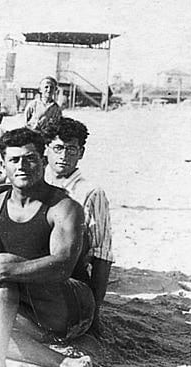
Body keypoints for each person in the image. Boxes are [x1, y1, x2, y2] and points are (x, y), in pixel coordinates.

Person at [0, 128, 97, 367]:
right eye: (14, 160)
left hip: (71, 306)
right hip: (31, 310)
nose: (22, 166)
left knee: (3, 263)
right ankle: (66, 362)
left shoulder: (64, 207)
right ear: (3, 164)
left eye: (30, 158)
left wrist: (2, 268)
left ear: (43, 161)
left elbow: (63, 266)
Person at [44, 117, 113, 334]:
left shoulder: (91, 192)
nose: (64, 156)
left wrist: (95, 313)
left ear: (81, 153)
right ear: (46, 149)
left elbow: (102, 254)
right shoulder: (36, 182)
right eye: (58, 148)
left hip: (71, 274)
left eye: (71, 150)